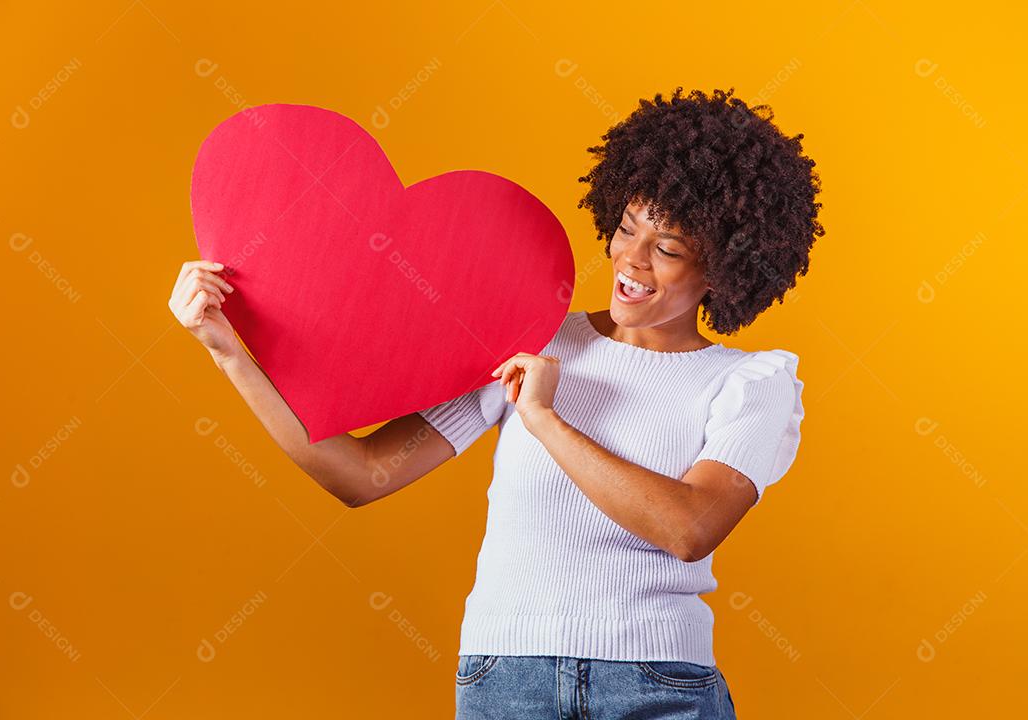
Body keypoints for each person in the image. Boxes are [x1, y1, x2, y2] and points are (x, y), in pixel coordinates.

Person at [168, 86, 823, 719]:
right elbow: (361, 475)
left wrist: (544, 419)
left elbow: (689, 529)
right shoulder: (531, 335)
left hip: (659, 686)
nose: (632, 259)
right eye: (627, 229)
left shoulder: (752, 383)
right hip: (506, 679)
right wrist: (228, 352)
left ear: (724, 268)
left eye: (669, 248)